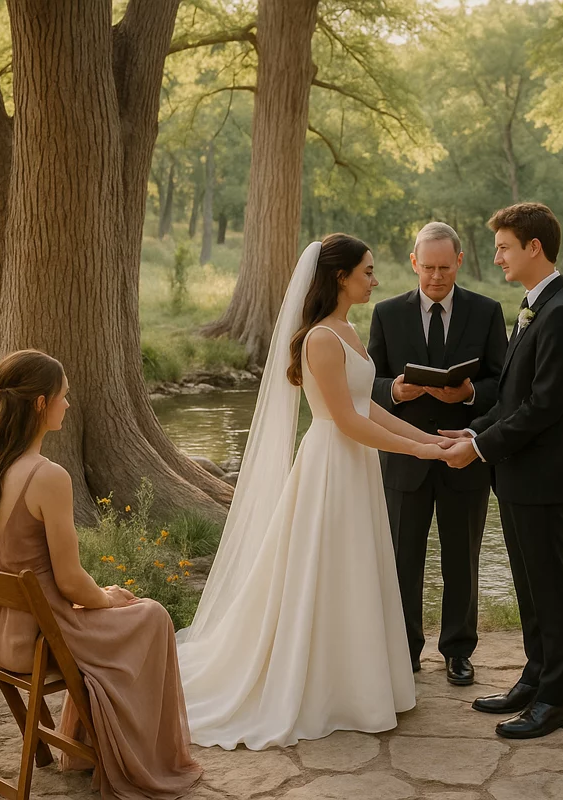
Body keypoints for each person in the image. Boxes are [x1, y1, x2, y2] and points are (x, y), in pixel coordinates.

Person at [175, 234, 451, 750]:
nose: (375, 279)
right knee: (324, 568)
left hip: (356, 466)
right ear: (340, 277)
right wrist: (421, 454)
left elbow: (369, 407)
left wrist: (429, 439)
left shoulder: (348, 329)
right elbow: (345, 421)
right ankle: (322, 686)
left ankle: (358, 681)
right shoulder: (321, 339)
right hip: (331, 465)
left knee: (355, 568)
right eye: (367, 271)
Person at [0, 349, 202, 800]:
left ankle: (91, 740)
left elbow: (18, 570)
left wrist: (94, 595)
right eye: (64, 396)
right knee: (151, 615)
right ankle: (138, 753)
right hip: (41, 639)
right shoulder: (47, 477)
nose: (68, 405)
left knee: (125, 608)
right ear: (40, 403)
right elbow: (70, 583)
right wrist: (108, 597)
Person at [441, 202, 563, 739]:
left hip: (543, 476)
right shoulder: (536, 306)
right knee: (529, 587)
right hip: (518, 473)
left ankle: (559, 700)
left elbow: (544, 407)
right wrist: (475, 430)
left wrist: (480, 448)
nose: (498, 256)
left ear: (535, 248)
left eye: (505, 246)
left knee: (551, 589)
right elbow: (514, 397)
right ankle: (536, 676)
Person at [367, 222, 507, 685]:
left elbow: (502, 385)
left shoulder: (486, 312)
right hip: (404, 458)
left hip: (463, 453)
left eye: (445, 267)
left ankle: (458, 651)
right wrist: (397, 391)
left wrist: (468, 394)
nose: (436, 277)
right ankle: (404, 650)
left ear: (460, 262)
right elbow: (367, 383)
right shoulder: (386, 314)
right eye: (427, 267)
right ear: (413, 263)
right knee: (402, 559)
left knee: (461, 559)